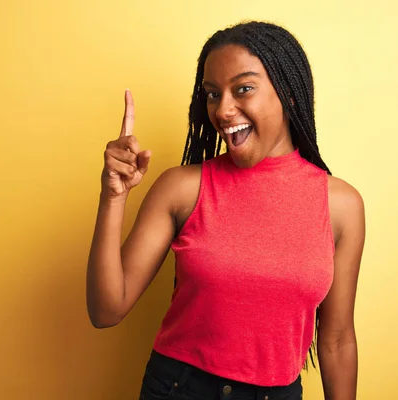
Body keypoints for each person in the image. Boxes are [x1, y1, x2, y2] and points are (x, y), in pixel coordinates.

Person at [87, 21, 365, 400]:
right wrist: (113, 197)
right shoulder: (181, 188)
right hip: (177, 389)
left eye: (243, 89)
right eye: (213, 94)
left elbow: (336, 340)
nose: (223, 110)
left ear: (289, 93)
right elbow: (106, 310)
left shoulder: (341, 207)